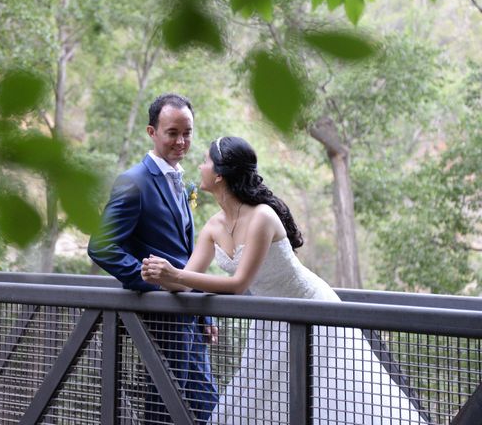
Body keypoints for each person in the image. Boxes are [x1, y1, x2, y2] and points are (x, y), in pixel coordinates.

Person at [141, 136, 428, 425]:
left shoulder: (262, 218)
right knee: (258, 400)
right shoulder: (213, 226)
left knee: (333, 399)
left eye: (205, 161)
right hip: (269, 320)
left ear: (219, 174)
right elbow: (187, 280)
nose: (199, 166)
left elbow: (239, 284)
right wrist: (159, 275)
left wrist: (176, 274)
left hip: (312, 312)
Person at [87, 93, 218, 423]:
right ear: (152, 132)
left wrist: (205, 312)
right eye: (172, 132)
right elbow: (101, 246)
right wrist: (150, 278)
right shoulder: (134, 182)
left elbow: (186, 257)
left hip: (190, 317)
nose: (181, 141)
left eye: (187, 132)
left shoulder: (183, 181)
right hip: (161, 320)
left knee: (209, 409)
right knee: (164, 411)